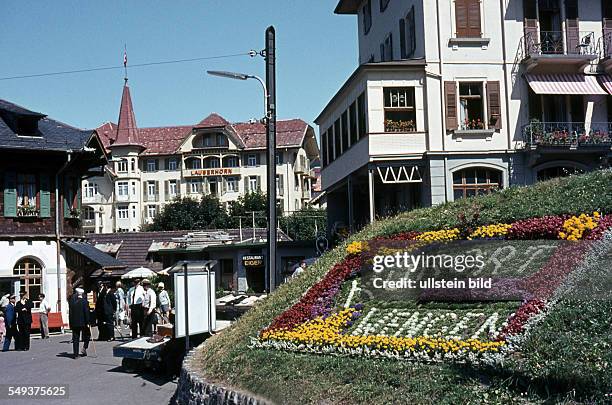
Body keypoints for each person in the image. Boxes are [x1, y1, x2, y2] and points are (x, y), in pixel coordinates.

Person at [69, 288, 90, 359]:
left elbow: (70, 313)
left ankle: (75, 354)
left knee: (75, 338)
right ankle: (84, 348)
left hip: (75, 323)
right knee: (87, 335)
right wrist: (88, 322)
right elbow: (86, 313)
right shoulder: (85, 302)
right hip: (83, 323)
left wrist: (71, 323)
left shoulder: (72, 302)